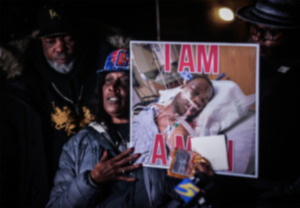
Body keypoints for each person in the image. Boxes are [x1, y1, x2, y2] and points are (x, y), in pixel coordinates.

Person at [0, 3, 112, 207]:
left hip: (107, 189)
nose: (59, 47)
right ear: (39, 41)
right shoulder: (22, 88)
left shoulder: (107, 73)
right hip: (47, 194)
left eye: (67, 38)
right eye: (51, 41)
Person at [207, 0, 300, 207]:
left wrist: (290, 191)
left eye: (270, 33)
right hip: (235, 178)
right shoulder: (238, 62)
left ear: (293, 35)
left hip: (277, 186)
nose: (257, 37)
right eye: (254, 29)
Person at [133, 75, 215, 166]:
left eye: (203, 101)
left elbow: (175, 169)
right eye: (195, 92)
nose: (198, 101)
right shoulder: (153, 108)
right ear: (183, 87)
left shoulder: (179, 131)